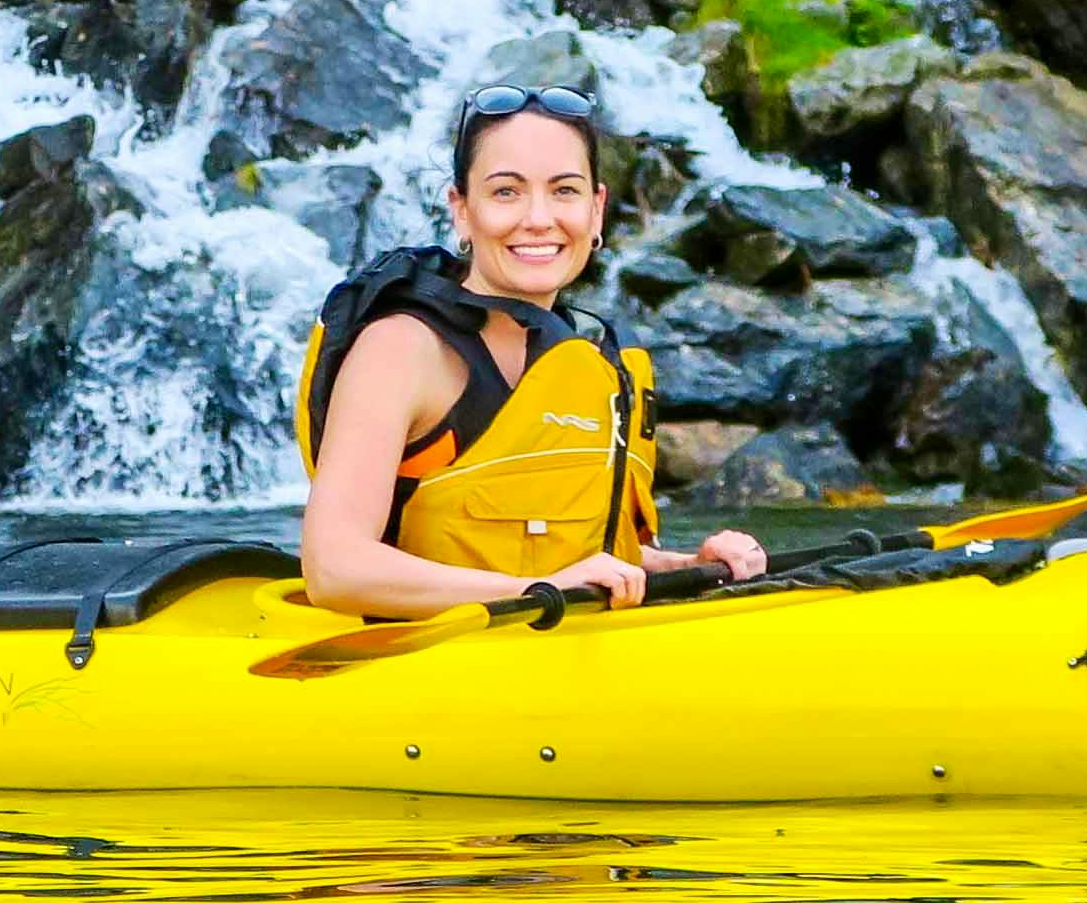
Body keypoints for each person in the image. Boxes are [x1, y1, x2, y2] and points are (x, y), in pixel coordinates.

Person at [294, 83, 765, 618]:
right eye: (505, 192)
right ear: (462, 210)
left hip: (561, 662)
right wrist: (536, 590)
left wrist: (686, 567)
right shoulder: (403, 349)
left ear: (597, 210)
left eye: (564, 191)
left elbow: (580, 562)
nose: (538, 218)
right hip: (416, 671)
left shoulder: (599, 361)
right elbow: (335, 569)